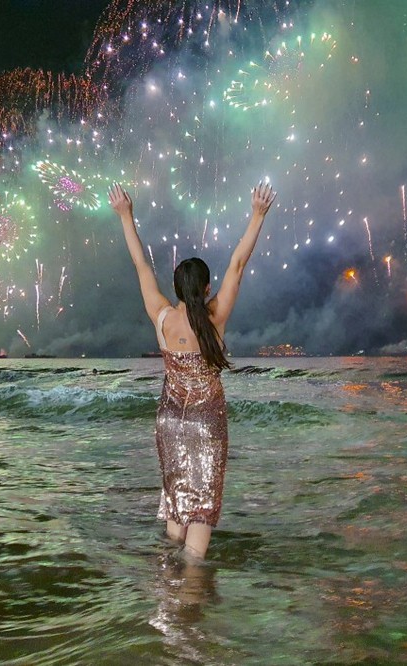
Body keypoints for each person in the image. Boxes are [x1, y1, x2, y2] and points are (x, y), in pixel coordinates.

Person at [108, 180, 277, 561]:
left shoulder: (162, 316)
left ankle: (166, 575)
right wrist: (257, 215)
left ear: (177, 288)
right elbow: (238, 262)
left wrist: (125, 215)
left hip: (169, 419)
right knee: (201, 503)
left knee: (176, 495)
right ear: (206, 287)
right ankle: (191, 590)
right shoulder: (214, 317)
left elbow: (140, 264)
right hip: (205, 420)